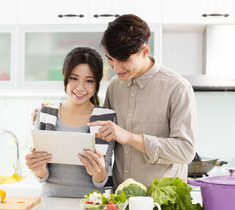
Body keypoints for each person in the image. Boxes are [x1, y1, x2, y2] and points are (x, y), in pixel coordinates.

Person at [87, 14, 197, 189]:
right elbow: (103, 137)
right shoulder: (115, 86)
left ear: (144, 51)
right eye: (110, 59)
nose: (116, 68)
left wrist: (130, 137)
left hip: (162, 205)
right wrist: (58, 114)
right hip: (120, 203)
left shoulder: (177, 87)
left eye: (124, 60)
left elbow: (185, 150)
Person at [26, 47, 116, 197]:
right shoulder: (45, 114)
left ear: (97, 82)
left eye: (89, 80)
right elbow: (42, 177)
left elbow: (101, 181)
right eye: (74, 78)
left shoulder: (105, 118)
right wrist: (37, 167)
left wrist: (99, 172)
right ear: (65, 76)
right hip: (51, 204)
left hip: (92, 206)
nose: (80, 88)